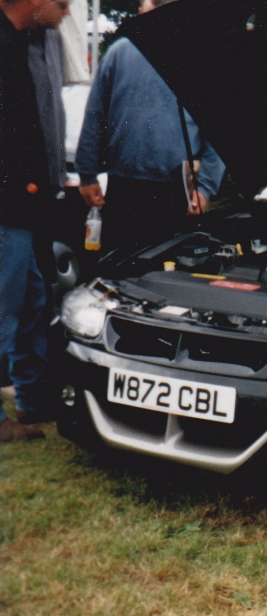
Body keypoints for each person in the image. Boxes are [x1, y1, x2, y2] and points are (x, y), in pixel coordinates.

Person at [76, 0, 225, 254]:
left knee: (169, 275)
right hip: (123, 187)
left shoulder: (202, 59)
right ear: (141, 11)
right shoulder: (119, 53)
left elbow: (219, 131)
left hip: (177, 191)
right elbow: (95, 116)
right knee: (118, 270)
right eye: (153, 4)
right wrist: (87, 175)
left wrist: (204, 188)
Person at [0, 0, 71, 442]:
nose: (65, 9)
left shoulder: (24, 43)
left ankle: (31, 399)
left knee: (31, 303)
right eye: (61, 2)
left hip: (24, 208)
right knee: (4, 312)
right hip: (7, 208)